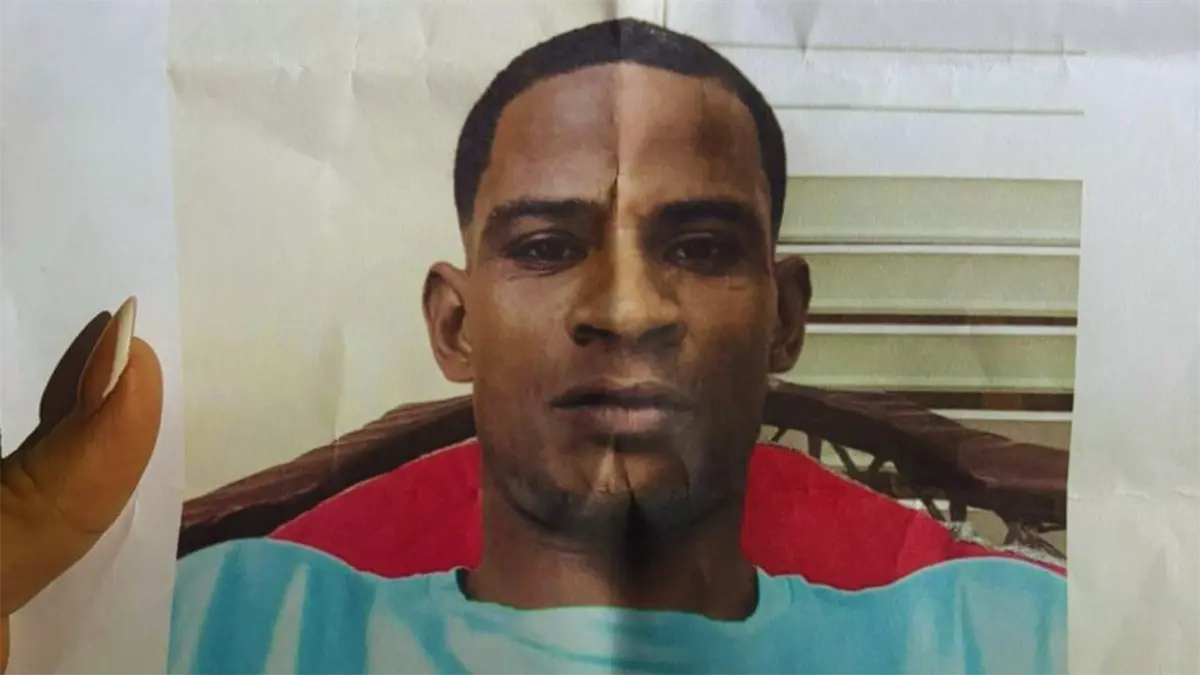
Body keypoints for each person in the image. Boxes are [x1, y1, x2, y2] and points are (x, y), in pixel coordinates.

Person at [1, 18, 1066, 674]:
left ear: (784, 317)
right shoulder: (231, 625)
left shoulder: (1002, 637)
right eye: (549, 247)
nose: (628, 309)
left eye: (699, 246)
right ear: (454, 324)